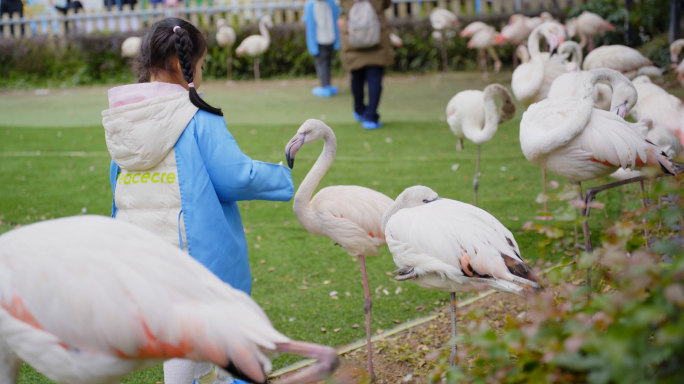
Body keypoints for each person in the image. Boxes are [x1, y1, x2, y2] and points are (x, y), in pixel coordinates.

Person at [102, 18, 294, 384]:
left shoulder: (123, 120)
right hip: (191, 250)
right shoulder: (196, 116)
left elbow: (117, 180)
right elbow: (235, 174)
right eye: (202, 65)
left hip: (138, 246)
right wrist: (284, 177)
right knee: (217, 322)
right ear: (185, 65)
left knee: (176, 328)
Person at [340, 0, 394, 129]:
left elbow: (342, 5)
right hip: (377, 40)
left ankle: (359, 110)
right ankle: (371, 116)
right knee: (375, 80)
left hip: (353, 41)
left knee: (356, 77)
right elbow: (386, 4)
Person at [304, 0, 340, 98]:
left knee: (323, 64)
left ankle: (325, 86)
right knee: (326, 63)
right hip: (329, 39)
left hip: (322, 40)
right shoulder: (330, 3)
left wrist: (312, 45)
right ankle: (326, 84)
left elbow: (310, 26)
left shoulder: (311, 5)